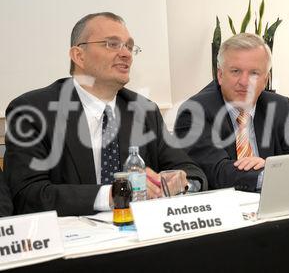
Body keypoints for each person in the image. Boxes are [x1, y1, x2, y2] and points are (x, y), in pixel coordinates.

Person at [4, 12, 207, 216]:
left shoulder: (143, 111)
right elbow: (27, 195)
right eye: (112, 44)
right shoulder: (32, 111)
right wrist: (113, 194)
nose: (126, 54)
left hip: (140, 239)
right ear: (79, 56)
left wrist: (182, 182)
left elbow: (193, 172)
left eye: (129, 46)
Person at [174, 33, 289, 191]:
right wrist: (267, 172)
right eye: (235, 71)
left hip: (275, 201)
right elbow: (218, 173)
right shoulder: (194, 112)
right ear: (220, 75)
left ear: (265, 80)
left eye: (254, 73)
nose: (244, 82)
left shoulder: (278, 106)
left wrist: (268, 166)